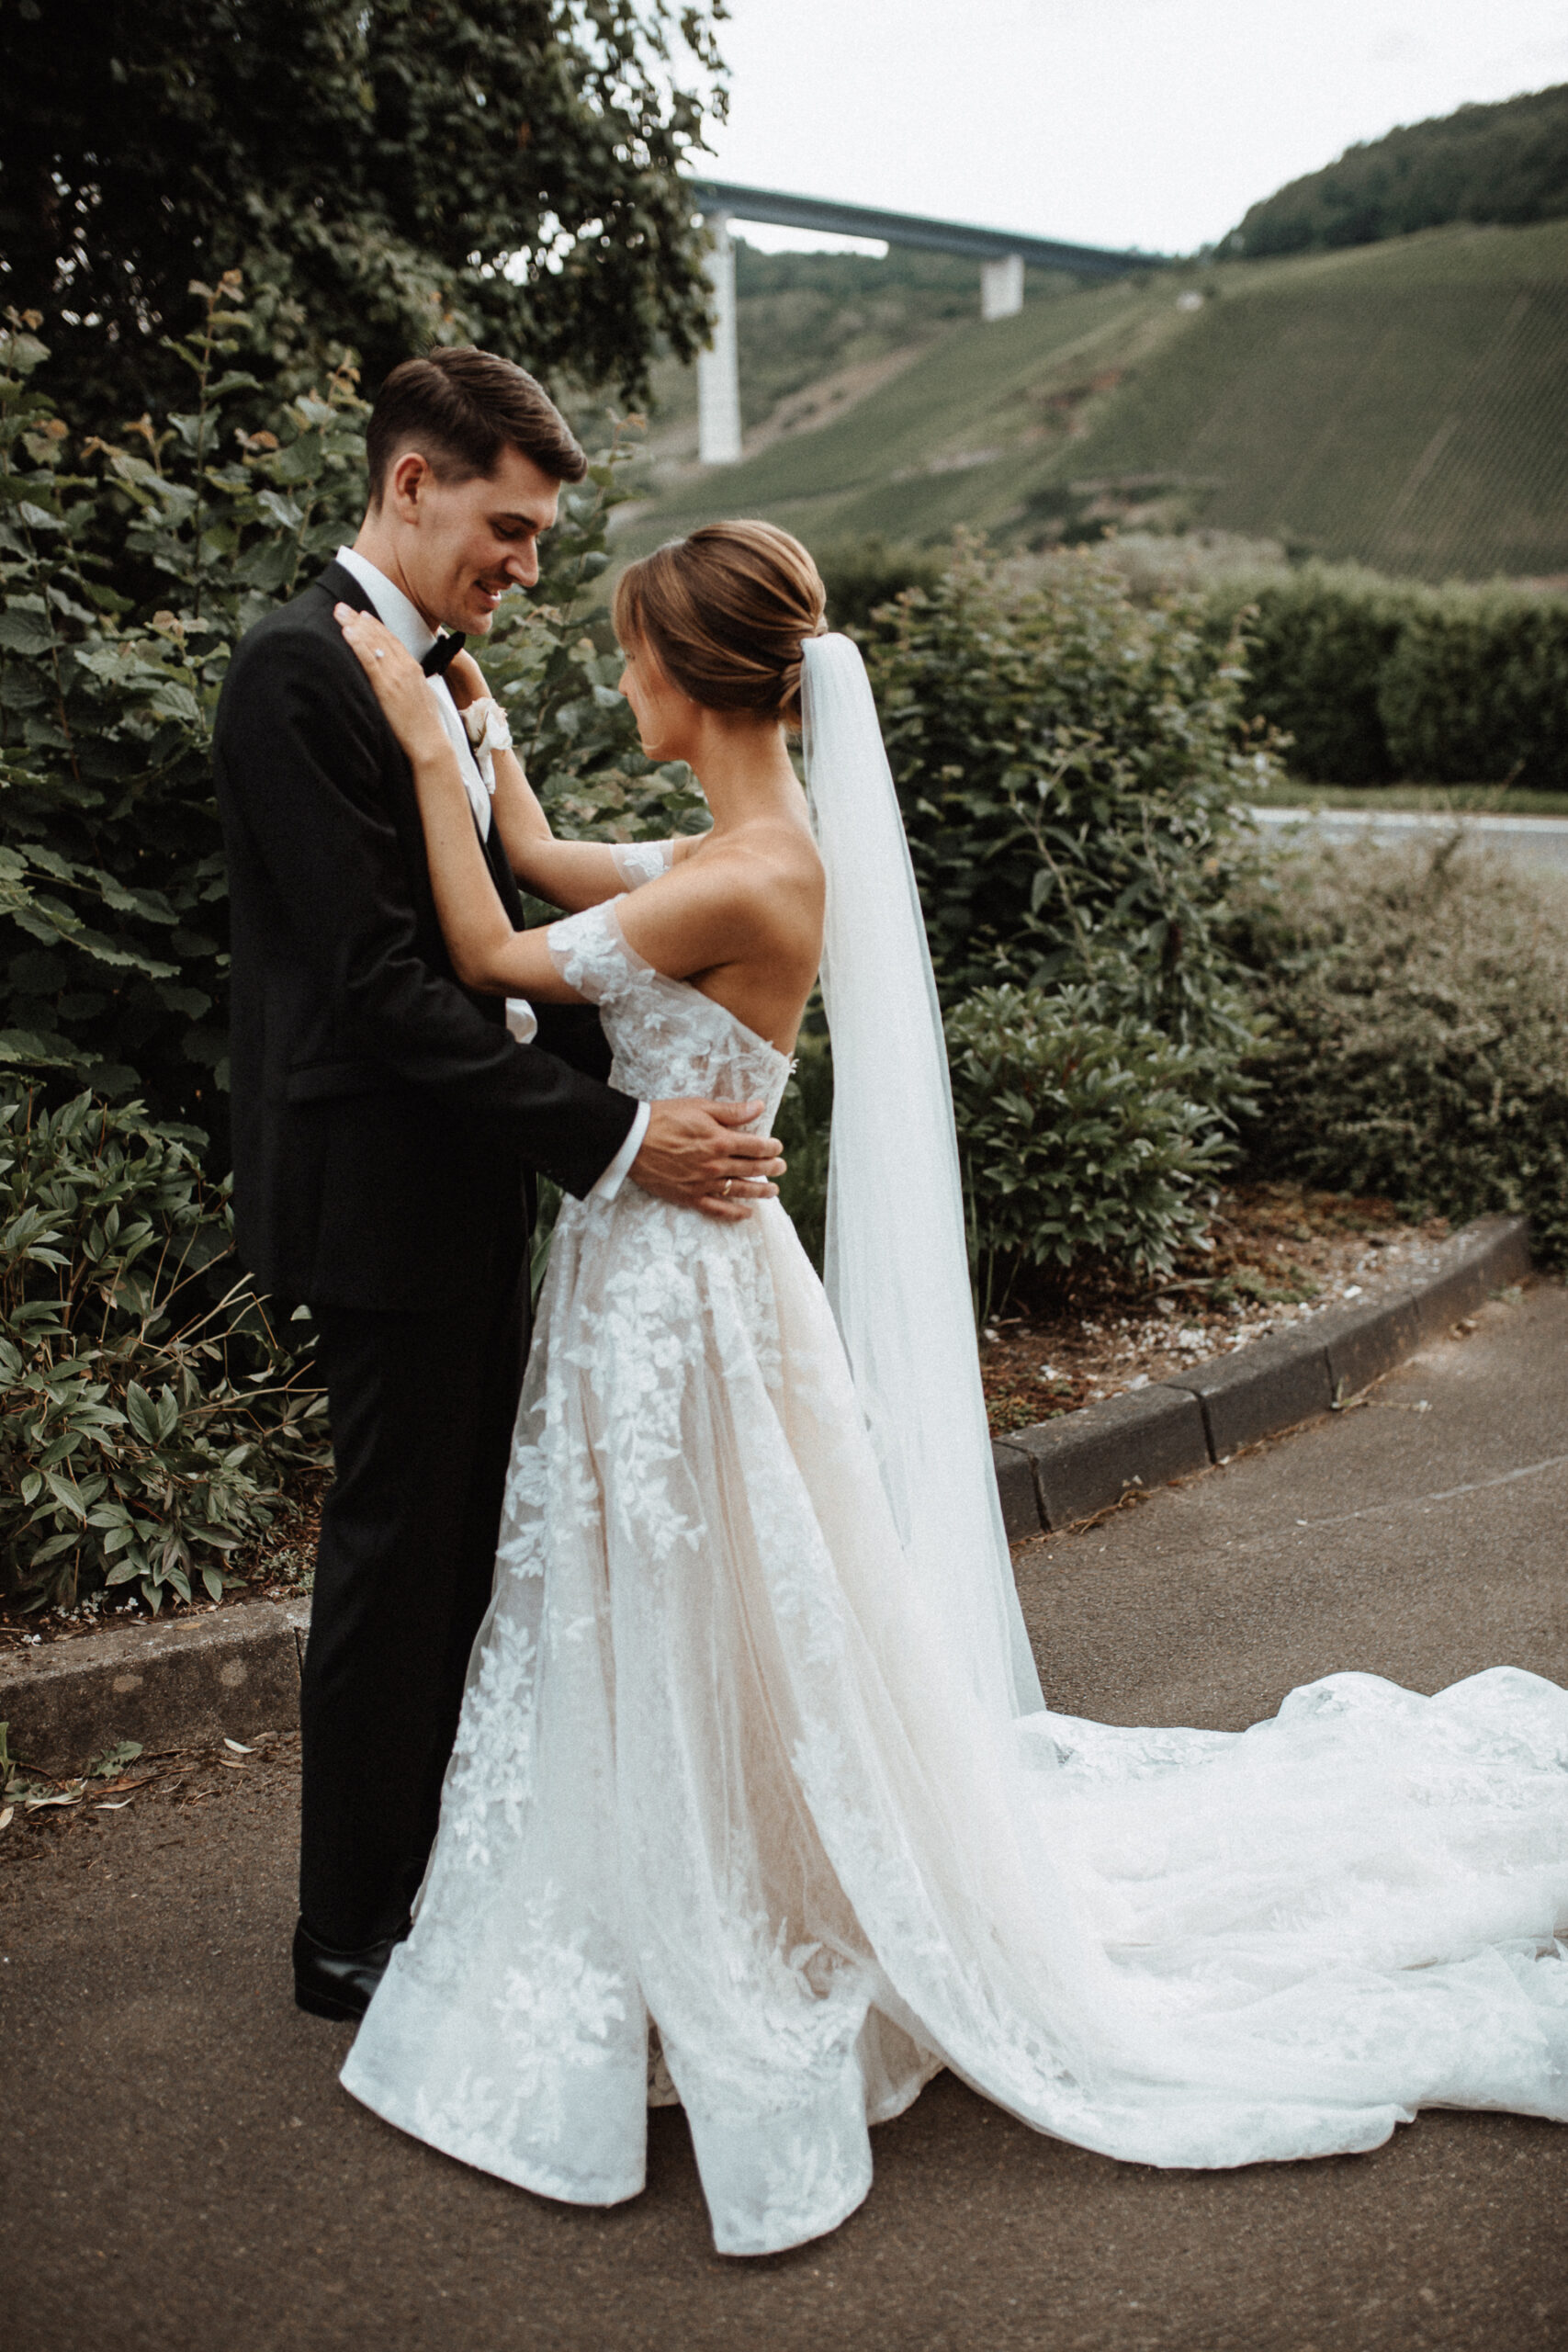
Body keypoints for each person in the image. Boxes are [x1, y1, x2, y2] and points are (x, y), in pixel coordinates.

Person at [333, 519, 1568, 2260]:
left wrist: (403, 741)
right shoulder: (731, 846)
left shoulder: (750, 876)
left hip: (687, 1291)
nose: (619, 683)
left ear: (691, 676)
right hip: (662, 1268)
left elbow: (485, 953)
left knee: (712, 1589)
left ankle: (733, 1909)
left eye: (626, 658)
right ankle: (697, 1881)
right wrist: (480, 729)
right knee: (690, 1594)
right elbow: (532, 853)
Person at [212, 353, 784, 2026]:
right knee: (399, 1556)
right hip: (381, 1186)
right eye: (511, 529)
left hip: (472, 1173)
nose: (527, 568)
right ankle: (347, 1932)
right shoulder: (294, 677)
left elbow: (510, 941)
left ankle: (444, 1880)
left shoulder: (441, 680)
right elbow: (384, 987)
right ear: (412, 486)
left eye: (538, 541)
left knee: (472, 1551)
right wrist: (613, 1140)